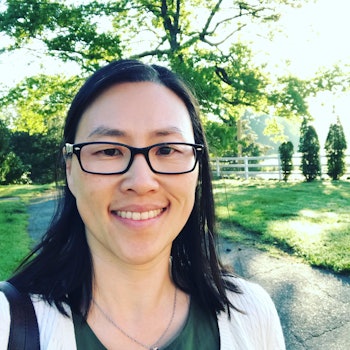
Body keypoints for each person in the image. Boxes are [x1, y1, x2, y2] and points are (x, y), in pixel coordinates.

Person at [0, 59, 285, 349]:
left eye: (166, 149)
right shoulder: (7, 323)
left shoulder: (252, 314)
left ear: (198, 168)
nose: (141, 181)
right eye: (110, 151)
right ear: (70, 170)